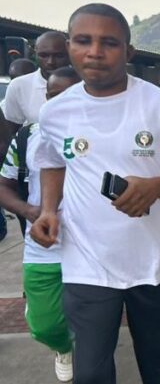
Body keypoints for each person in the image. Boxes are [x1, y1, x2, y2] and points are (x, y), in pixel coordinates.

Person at [31, 3, 160, 384]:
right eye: (83, 41)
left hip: (155, 264)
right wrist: (49, 209)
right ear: (69, 46)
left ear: (128, 53)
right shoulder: (55, 112)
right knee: (91, 371)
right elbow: (52, 161)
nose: (95, 52)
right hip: (87, 262)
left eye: (109, 43)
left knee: (158, 367)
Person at [0, 65, 81, 382]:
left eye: (66, 96)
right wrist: (30, 210)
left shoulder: (104, 134)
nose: (56, 105)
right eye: (51, 96)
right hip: (43, 247)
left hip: (91, 247)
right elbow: (4, 185)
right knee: (45, 325)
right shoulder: (27, 135)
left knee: (93, 323)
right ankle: (63, 346)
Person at [2, 31, 70, 156]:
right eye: (43, 55)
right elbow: (11, 132)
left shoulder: (87, 84)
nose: (50, 62)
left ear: (70, 53)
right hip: (34, 162)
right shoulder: (19, 86)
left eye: (59, 56)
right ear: (35, 54)